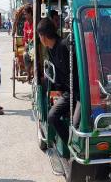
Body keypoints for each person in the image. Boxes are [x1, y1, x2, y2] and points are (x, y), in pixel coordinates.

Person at [37, 18, 80, 146]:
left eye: (39, 36)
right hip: (67, 93)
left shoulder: (64, 46)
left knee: (76, 126)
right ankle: (68, 144)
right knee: (51, 117)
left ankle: (74, 147)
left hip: (79, 94)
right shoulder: (50, 49)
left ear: (43, 37)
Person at [23, 5, 34, 82]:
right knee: (25, 55)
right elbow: (25, 36)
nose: (25, 16)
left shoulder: (35, 22)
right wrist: (26, 42)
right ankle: (29, 74)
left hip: (35, 45)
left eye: (26, 14)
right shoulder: (26, 24)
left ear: (30, 14)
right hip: (29, 46)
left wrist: (31, 41)